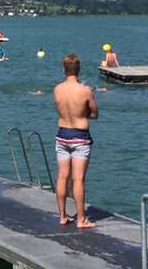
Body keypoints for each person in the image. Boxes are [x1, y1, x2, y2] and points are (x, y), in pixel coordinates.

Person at [53, 53, 99, 228]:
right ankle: (81, 219)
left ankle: (62, 216)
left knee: (62, 177)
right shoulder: (85, 91)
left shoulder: (57, 89)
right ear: (78, 70)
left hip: (62, 134)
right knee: (78, 179)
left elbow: (62, 110)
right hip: (80, 137)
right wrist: (83, 114)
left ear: (63, 69)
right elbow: (95, 114)